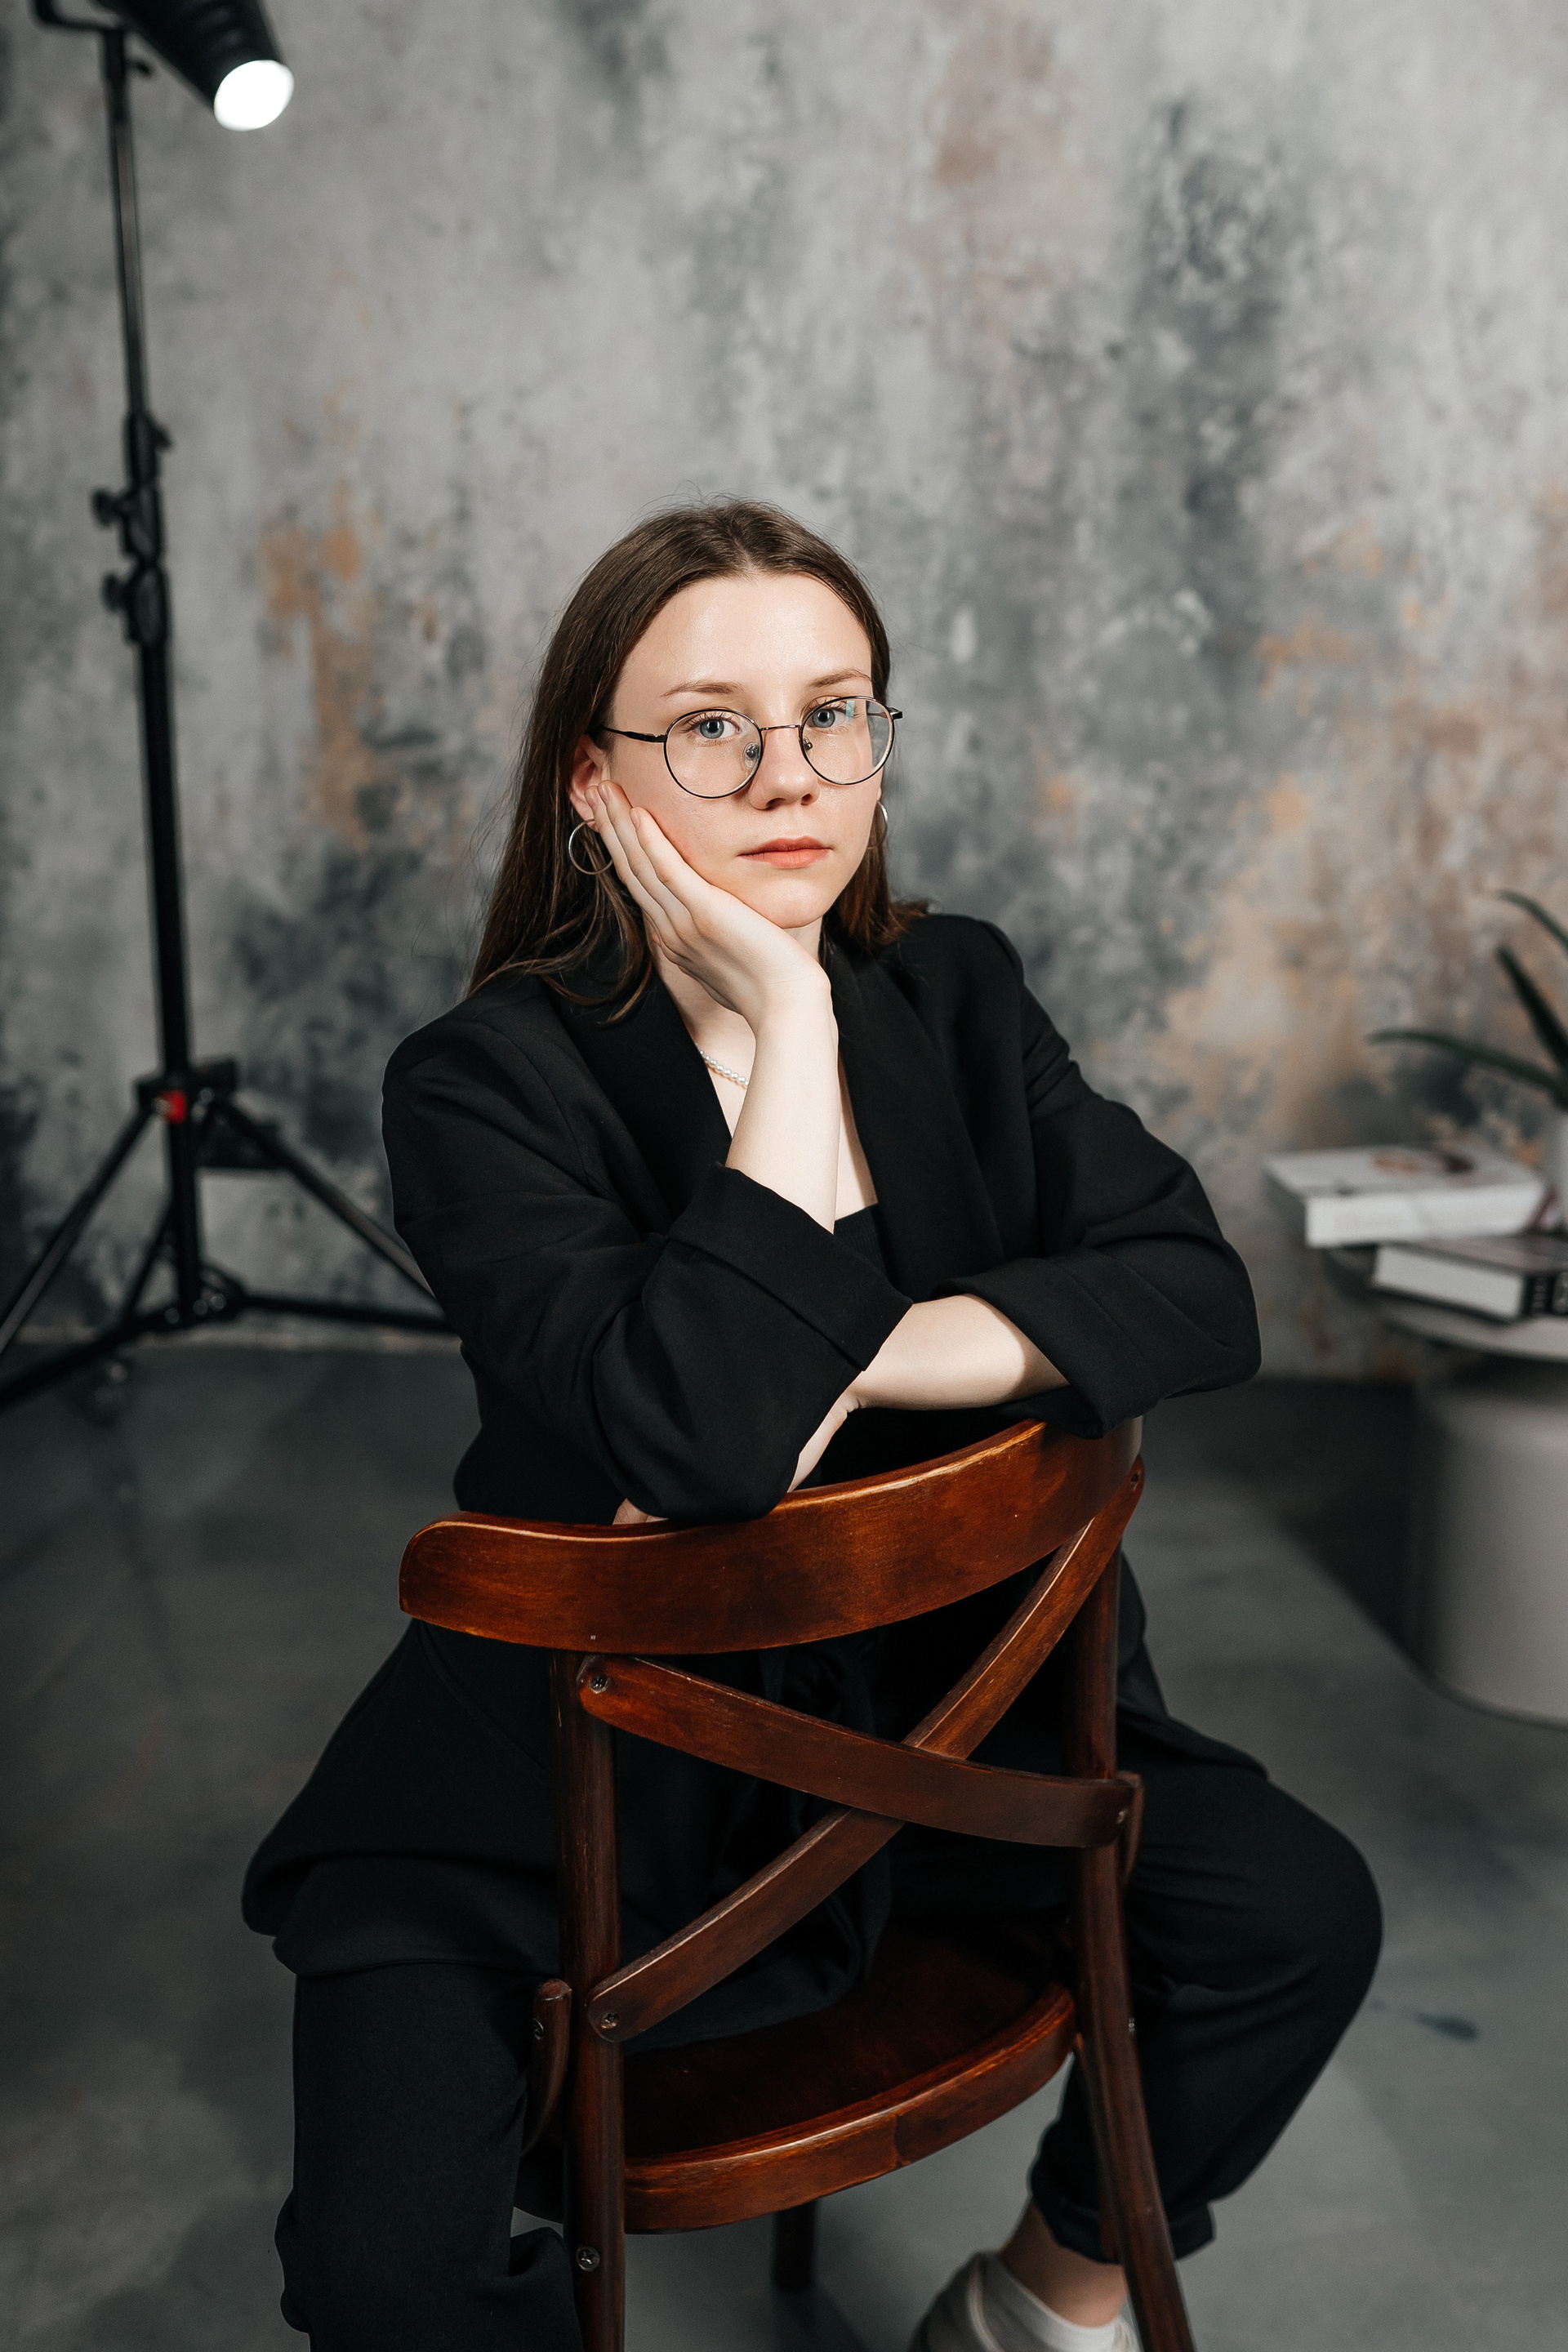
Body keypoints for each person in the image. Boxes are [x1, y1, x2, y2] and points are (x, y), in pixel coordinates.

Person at [243, 501, 1381, 2352]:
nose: (791, 774)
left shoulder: (957, 993)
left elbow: (1194, 1287)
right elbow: (705, 1445)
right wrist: (784, 1013)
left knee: (1296, 1918)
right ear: (593, 781)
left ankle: (1036, 2309)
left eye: (835, 714)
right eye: (711, 727)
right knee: (378, 2276)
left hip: (943, 1739)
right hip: (565, 1785)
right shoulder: (482, 1085)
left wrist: (858, 1357)